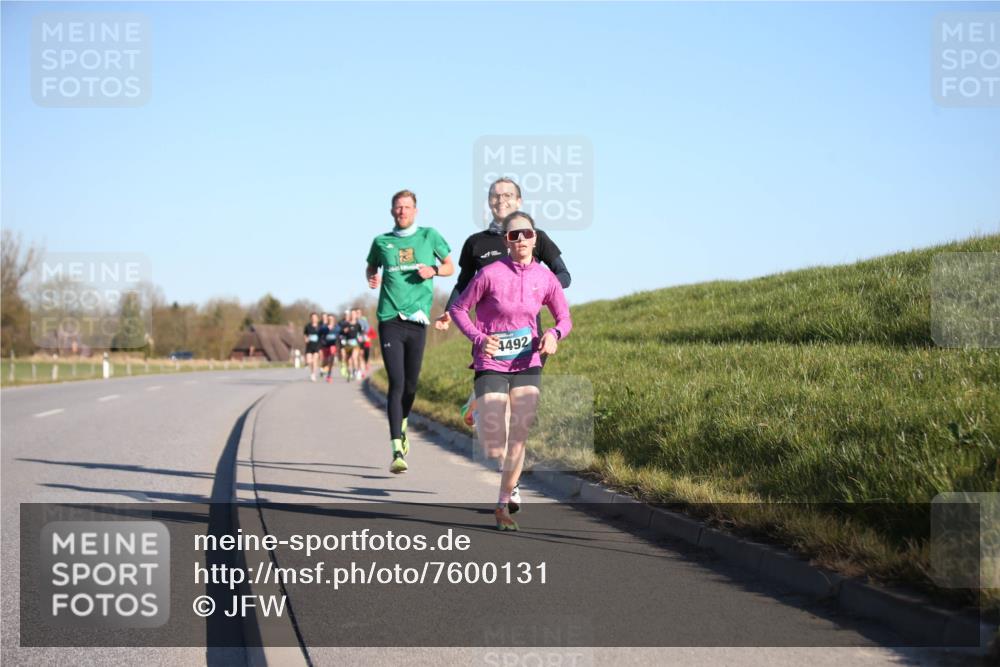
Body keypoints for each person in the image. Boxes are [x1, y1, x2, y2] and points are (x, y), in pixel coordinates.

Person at [436, 177, 572, 509]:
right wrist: (449, 314)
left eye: (508, 195)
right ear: (489, 203)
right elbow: (463, 288)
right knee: (497, 431)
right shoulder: (477, 244)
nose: (501, 200)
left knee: (519, 425)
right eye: (496, 196)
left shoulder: (534, 241)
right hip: (490, 343)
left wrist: (540, 291)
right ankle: (480, 407)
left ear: (519, 200)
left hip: (528, 344)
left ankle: (510, 488)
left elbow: (563, 277)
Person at [366, 189, 454, 473]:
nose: (402, 211)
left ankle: (403, 424)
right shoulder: (382, 242)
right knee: (397, 382)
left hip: (417, 321)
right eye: (397, 207)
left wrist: (434, 271)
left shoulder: (429, 236)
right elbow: (370, 266)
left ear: (415, 210)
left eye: (407, 207)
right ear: (392, 211)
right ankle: (396, 449)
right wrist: (372, 276)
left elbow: (450, 267)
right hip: (390, 318)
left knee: (412, 386)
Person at [302, 312, 322, 382]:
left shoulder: (320, 326)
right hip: (309, 345)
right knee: (309, 361)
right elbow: (305, 334)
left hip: (317, 345)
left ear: (317, 318)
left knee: (315, 360)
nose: (314, 319)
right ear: (311, 319)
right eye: (312, 318)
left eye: (315, 318)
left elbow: (322, 335)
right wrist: (305, 338)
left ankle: (313, 374)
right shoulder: (308, 326)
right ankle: (312, 372)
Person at [322, 314, 340, 383]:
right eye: (329, 319)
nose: (330, 320)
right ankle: (324, 367)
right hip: (325, 345)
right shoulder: (324, 327)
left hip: (333, 345)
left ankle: (329, 375)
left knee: (331, 359)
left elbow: (340, 334)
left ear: (334, 320)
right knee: (325, 361)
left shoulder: (337, 327)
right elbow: (320, 334)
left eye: (331, 319)